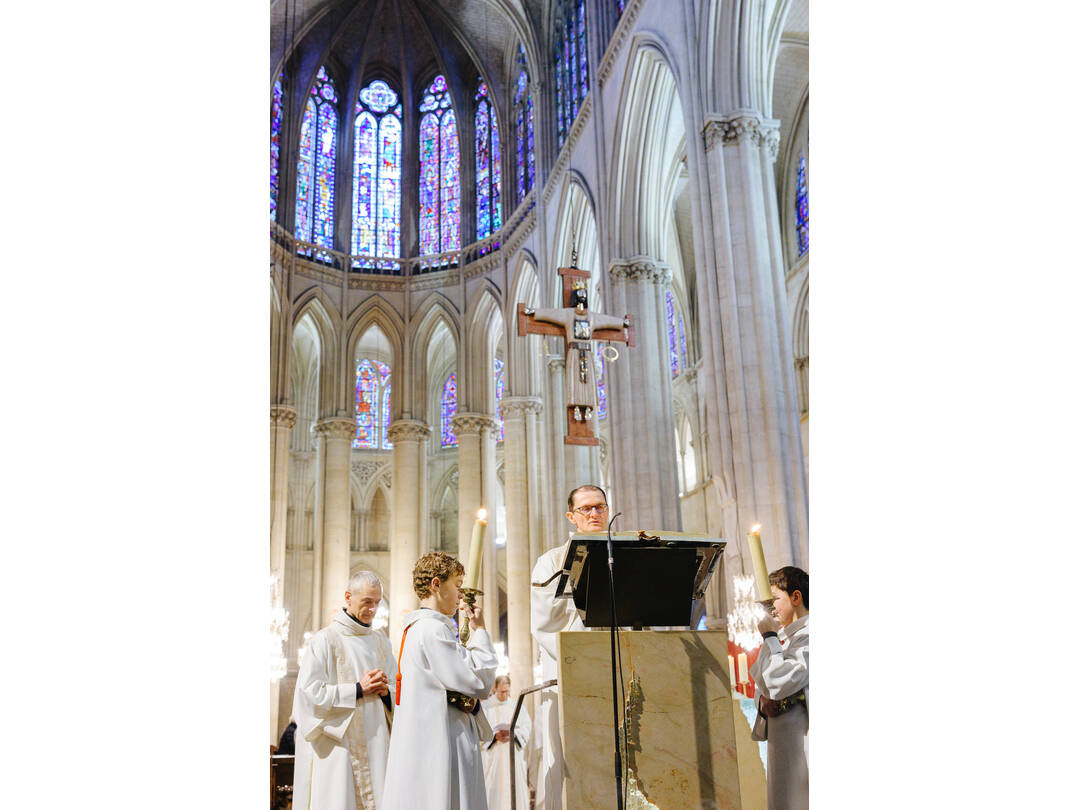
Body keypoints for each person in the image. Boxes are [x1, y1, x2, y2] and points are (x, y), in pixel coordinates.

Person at [381, 552, 499, 810]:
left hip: (429, 738)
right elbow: (479, 682)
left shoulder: (416, 628)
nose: (461, 595)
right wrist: (480, 632)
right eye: (457, 585)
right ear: (436, 584)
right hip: (444, 738)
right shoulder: (432, 629)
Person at [529, 483, 607, 810]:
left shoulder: (625, 556)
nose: (594, 513)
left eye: (599, 507)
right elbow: (544, 623)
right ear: (571, 516)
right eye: (585, 508)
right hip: (569, 674)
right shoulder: (550, 562)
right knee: (568, 760)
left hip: (617, 671)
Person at [291, 570, 396, 810]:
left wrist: (386, 692)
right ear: (348, 597)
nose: (373, 609)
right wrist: (357, 689)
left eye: (377, 602)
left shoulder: (381, 642)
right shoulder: (325, 640)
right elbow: (308, 695)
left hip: (377, 744)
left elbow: (398, 690)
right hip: (338, 749)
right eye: (367, 601)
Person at [749, 565, 809, 810]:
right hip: (780, 738)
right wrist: (761, 701)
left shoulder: (810, 635)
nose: (771, 608)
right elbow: (762, 682)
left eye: (775, 598)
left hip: (801, 739)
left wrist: (770, 638)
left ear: (796, 597)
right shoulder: (782, 637)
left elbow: (778, 683)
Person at [481, 675, 531, 810]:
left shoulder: (516, 706)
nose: (505, 695)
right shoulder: (486, 707)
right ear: (495, 688)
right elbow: (479, 731)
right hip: (493, 755)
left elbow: (526, 728)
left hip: (512, 753)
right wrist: (494, 736)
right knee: (493, 786)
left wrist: (513, 734)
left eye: (507, 691)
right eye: (502, 692)